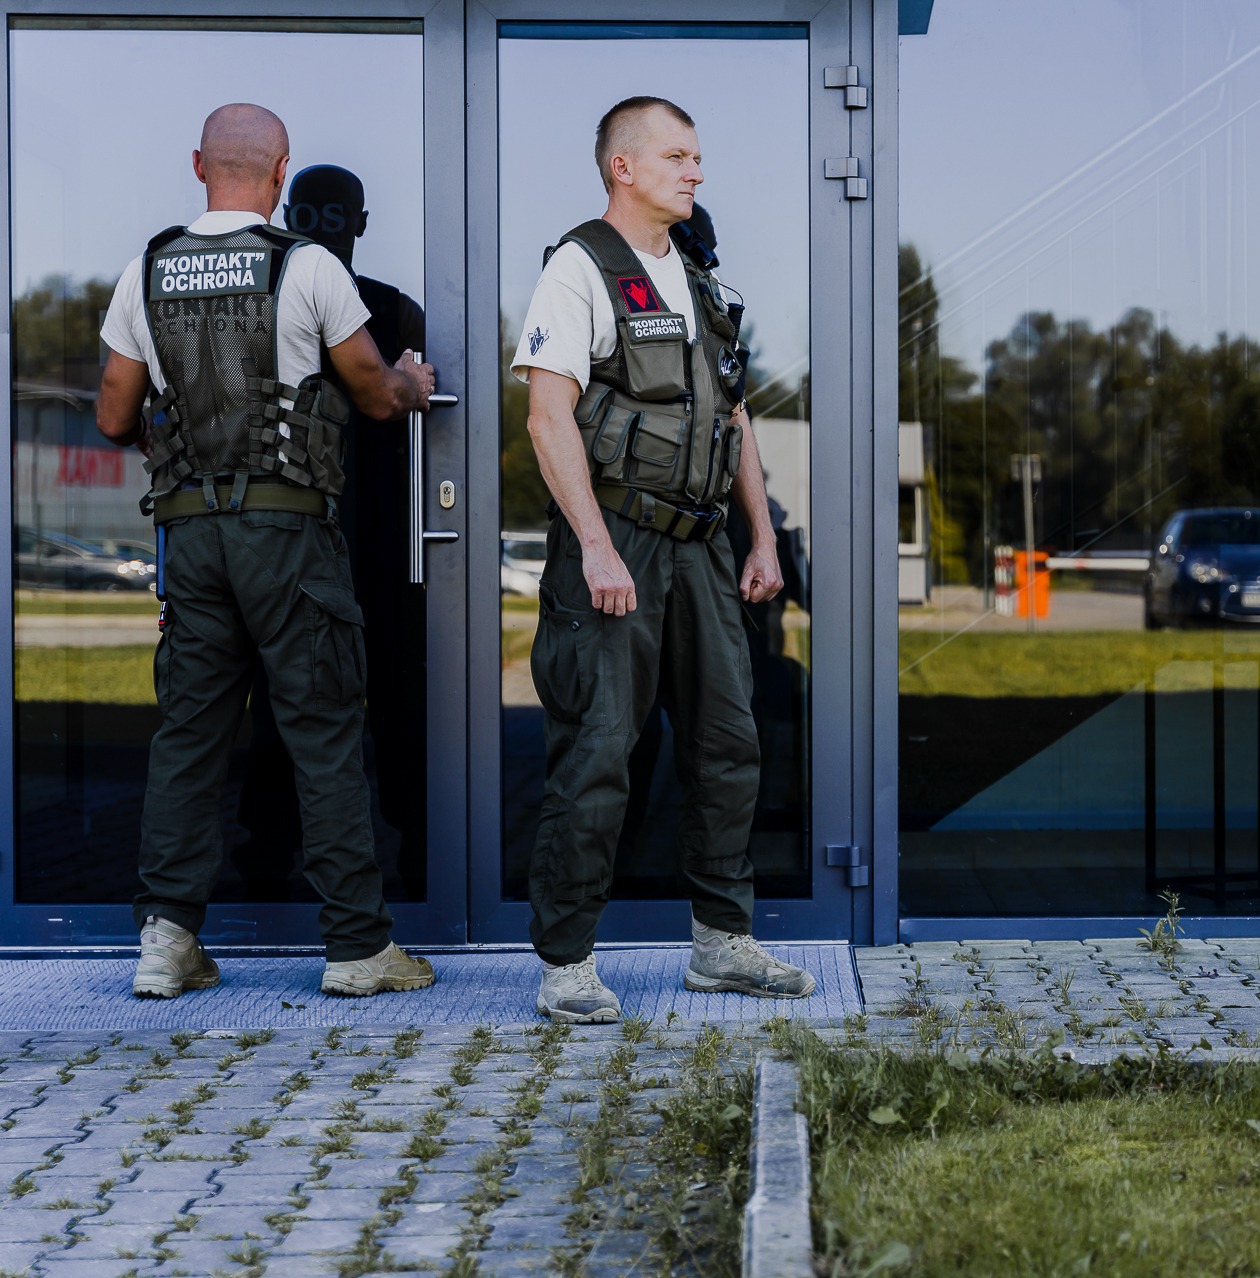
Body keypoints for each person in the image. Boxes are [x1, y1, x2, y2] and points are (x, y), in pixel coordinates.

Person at [94, 103, 439, 999]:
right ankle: (359, 948)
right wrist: (414, 384)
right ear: (279, 171)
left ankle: (166, 942)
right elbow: (370, 392)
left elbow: (111, 414)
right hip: (288, 534)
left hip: (189, 533)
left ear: (198, 163)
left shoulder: (148, 269)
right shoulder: (306, 264)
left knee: (189, 735)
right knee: (323, 730)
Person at [511, 94, 815, 1022]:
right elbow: (546, 415)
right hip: (616, 542)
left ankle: (722, 945)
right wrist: (598, 550)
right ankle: (566, 961)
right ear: (624, 168)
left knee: (729, 744)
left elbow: (731, 419)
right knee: (599, 749)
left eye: (696, 157)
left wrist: (758, 537)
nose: (696, 171)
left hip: (701, 550)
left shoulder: (699, 278)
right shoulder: (578, 269)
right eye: (679, 155)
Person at [234, 165, 430, 897]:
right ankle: (417, 858)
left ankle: (263, 859)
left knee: (285, 701)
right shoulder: (393, 311)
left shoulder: (259, 301)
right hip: (380, 538)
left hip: (289, 536)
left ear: (290, 215)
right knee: (396, 702)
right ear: (363, 222)